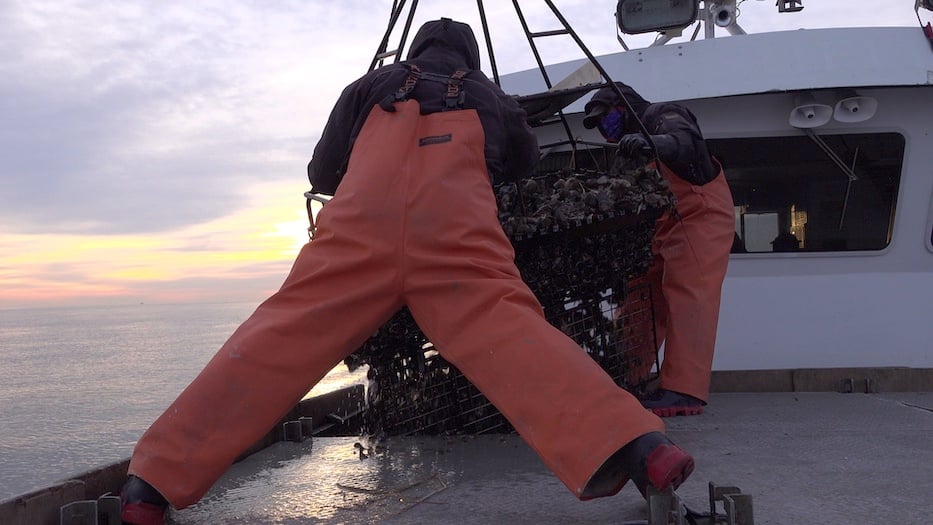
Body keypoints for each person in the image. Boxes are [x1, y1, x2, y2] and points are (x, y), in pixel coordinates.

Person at [119, 20, 695, 524]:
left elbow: (322, 170)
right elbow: (523, 166)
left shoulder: (370, 86)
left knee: (277, 339)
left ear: (414, 49)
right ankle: (643, 448)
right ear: (468, 58)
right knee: (518, 342)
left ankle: (152, 484)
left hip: (360, 230)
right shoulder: (487, 93)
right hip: (455, 232)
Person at [583, 82, 735, 417]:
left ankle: (684, 390)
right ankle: (626, 376)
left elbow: (685, 141)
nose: (606, 130)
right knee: (642, 295)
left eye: (606, 119)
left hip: (701, 213)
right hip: (665, 221)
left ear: (622, 108)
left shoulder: (662, 115)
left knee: (689, 292)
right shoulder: (631, 148)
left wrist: (653, 143)